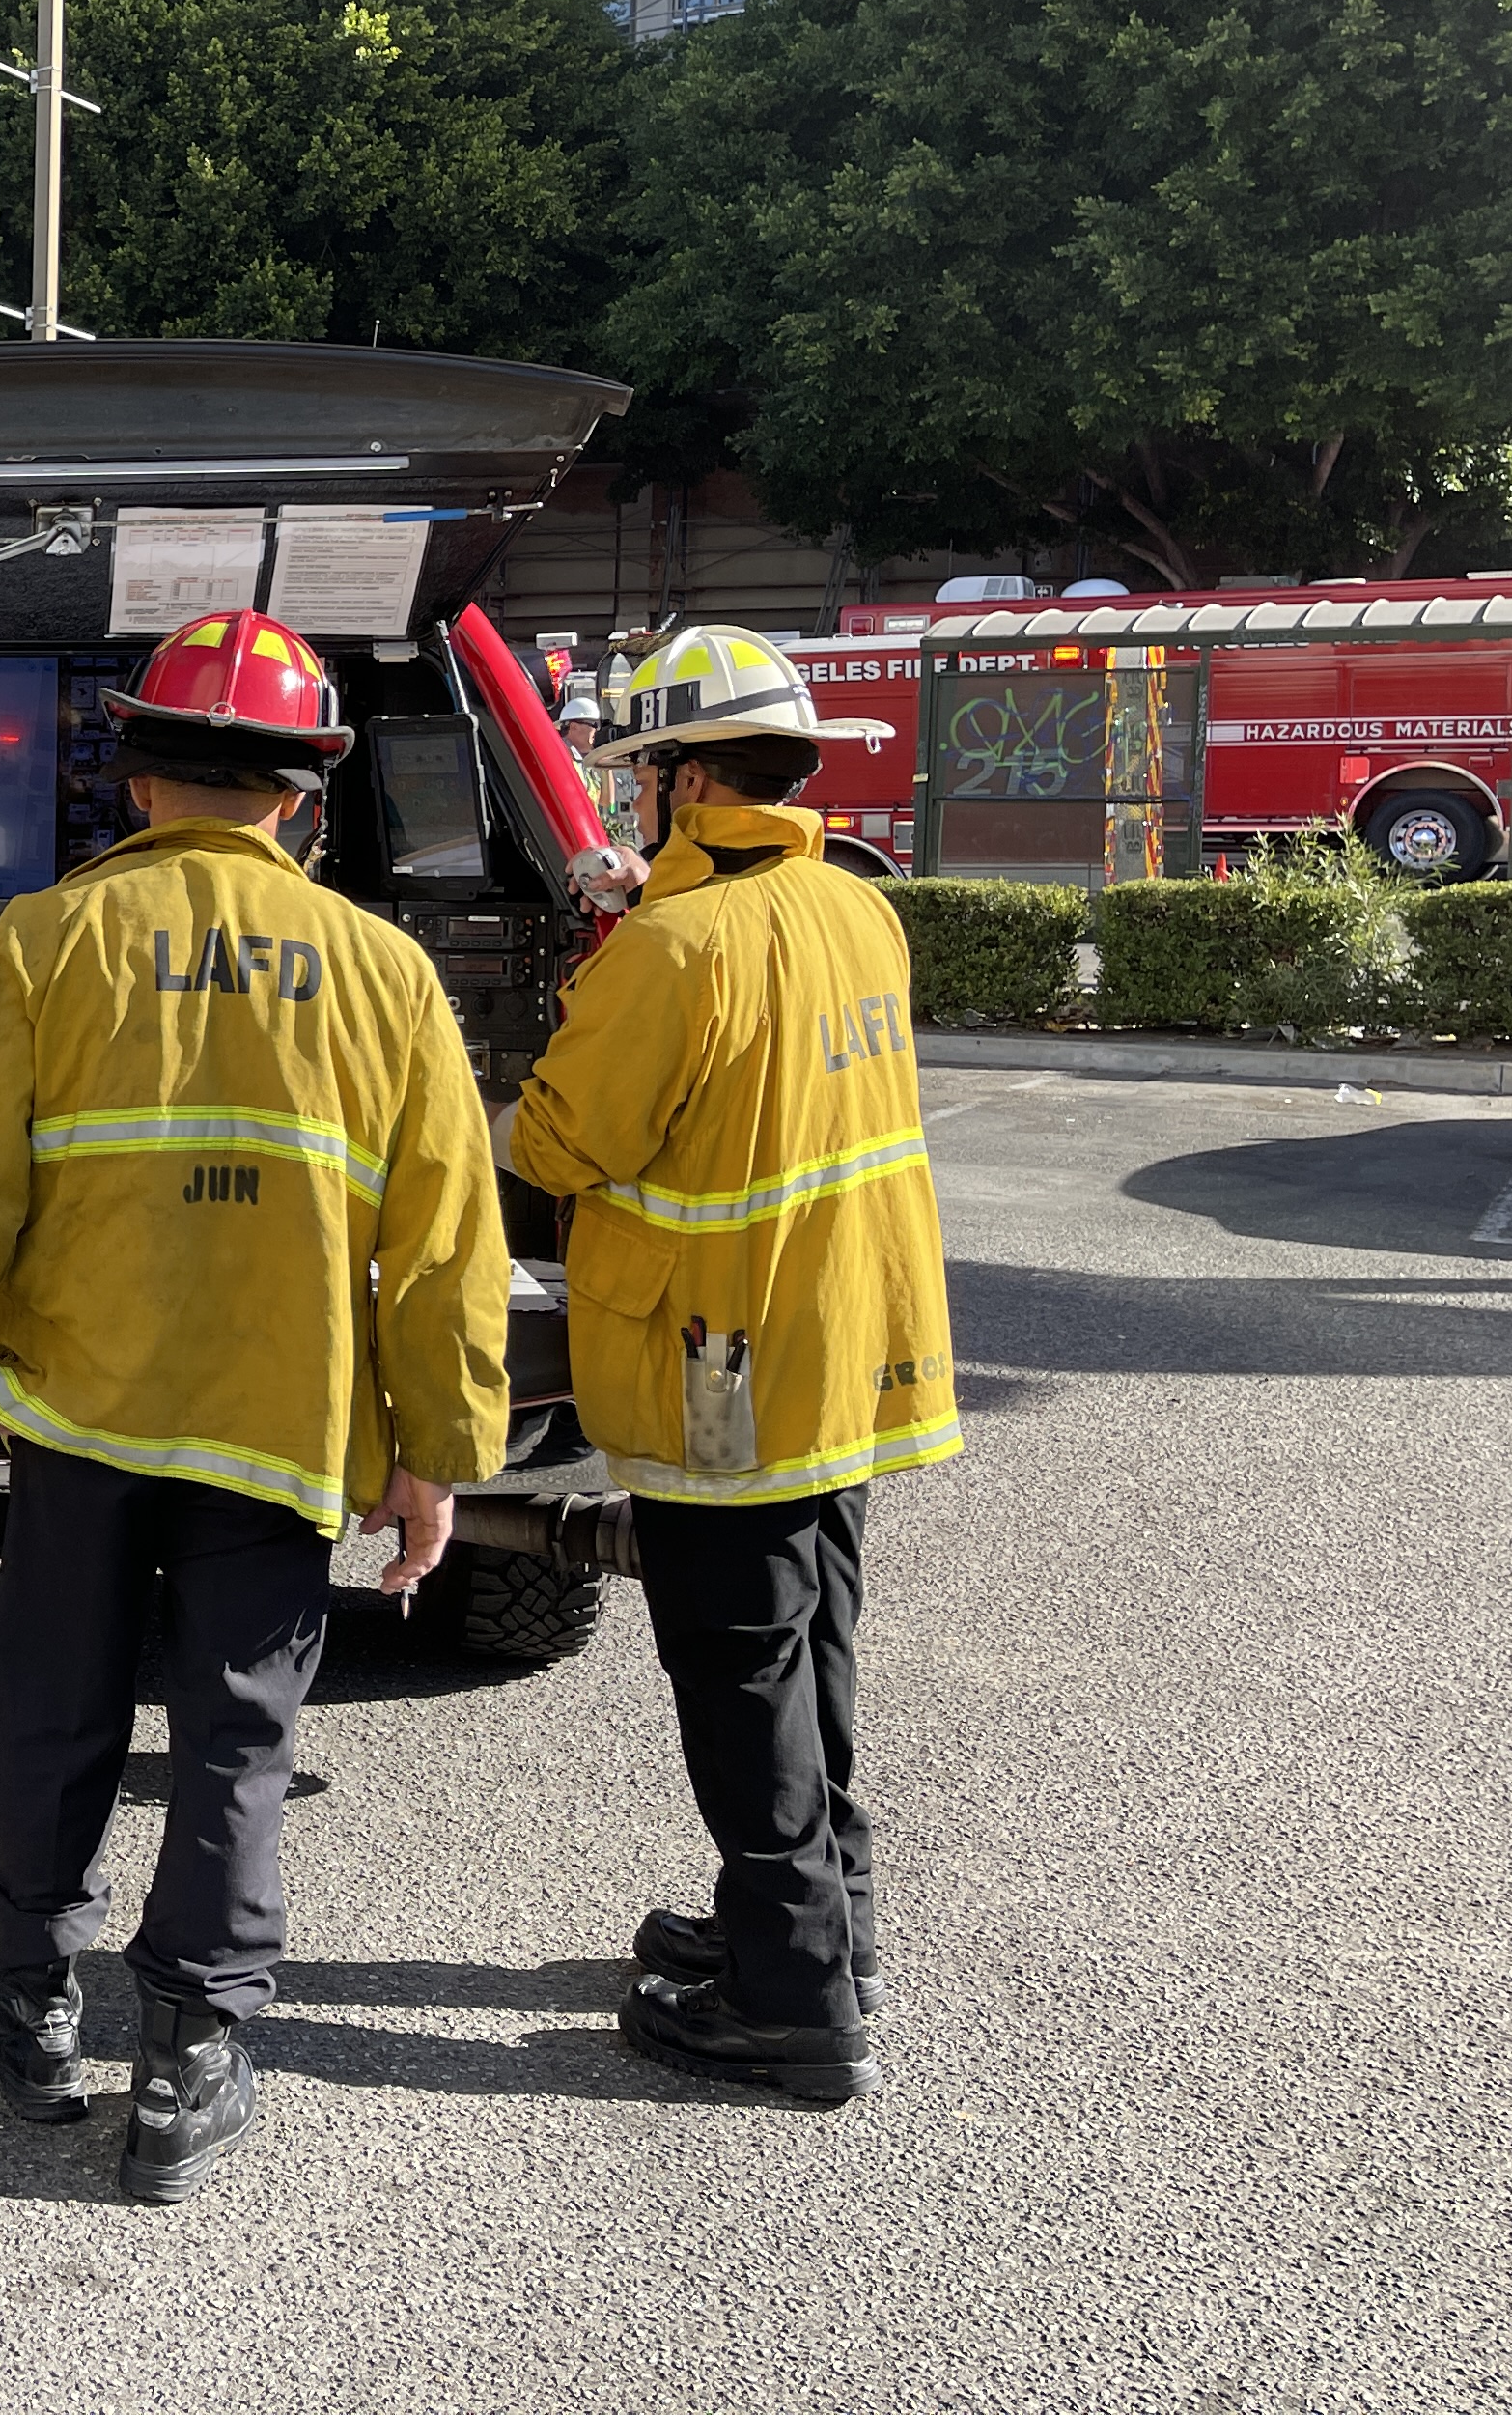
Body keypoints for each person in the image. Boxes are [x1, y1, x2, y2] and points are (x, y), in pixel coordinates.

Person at [0, 607, 515, 2204]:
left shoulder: (45, 941)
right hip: (275, 1422)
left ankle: (32, 1999)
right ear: (305, 789)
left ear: (133, 771)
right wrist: (438, 1452)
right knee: (236, 1735)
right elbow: (447, 1244)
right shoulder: (385, 972)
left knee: (54, 1707)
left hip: (81, 1418)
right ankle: (188, 2057)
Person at [502, 623, 956, 2107]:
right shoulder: (853, 909)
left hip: (725, 1370)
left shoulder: (674, 950)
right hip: (846, 1350)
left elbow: (566, 1138)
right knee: (813, 1642)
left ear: (688, 782)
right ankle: (819, 1924)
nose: (635, 799)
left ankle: (794, 2006)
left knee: (738, 1671)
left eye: (643, 774)